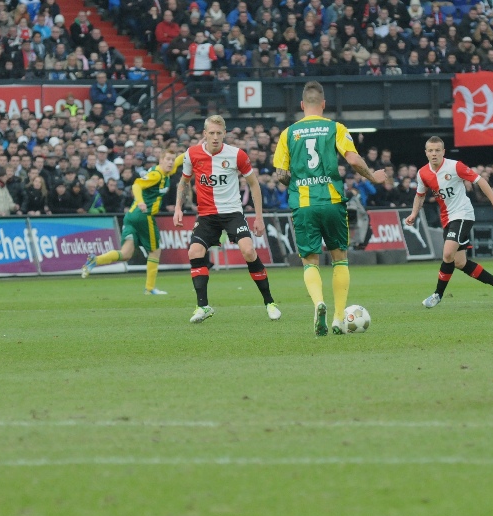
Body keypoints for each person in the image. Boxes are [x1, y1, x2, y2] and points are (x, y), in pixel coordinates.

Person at [273, 81, 386, 336]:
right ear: (323, 104)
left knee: (309, 261)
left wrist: (298, 184)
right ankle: (337, 318)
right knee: (339, 258)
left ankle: (318, 304)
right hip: (333, 201)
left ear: (302, 105)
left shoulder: (288, 133)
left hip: (304, 204)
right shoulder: (335, 128)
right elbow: (354, 159)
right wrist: (372, 177)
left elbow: (281, 174)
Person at [173, 115, 281, 324]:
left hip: (232, 212)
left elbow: (254, 184)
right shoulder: (192, 154)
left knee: (248, 251)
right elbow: (184, 182)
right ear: (204, 134)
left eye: (219, 133)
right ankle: (203, 306)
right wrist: (178, 207)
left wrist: (258, 217)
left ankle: (270, 302)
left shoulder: (236, 155)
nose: (215, 137)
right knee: (194, 251)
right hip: (206, 215)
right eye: (211, 133)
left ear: (224, 134)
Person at [405, 136, 493, 308]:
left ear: (443, 152)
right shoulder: (422, 173)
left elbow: (480, 180)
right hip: (447, 218)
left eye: (437, 150)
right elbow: (420, 195)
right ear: (426, 153)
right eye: (430, 150)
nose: (434, 154)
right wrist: (414, 213)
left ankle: (437, 295)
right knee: (460, 262)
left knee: (447, 254)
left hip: (463, 214)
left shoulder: (455, 166)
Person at [82, 148, 182, 295]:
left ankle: (95, 260)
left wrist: (196, 148)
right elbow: (136, 185)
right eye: (168, 159)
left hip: (131, 216)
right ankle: (149, 288)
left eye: (172, 160)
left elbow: (180, 160)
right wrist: (141, 201)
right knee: (155, 251)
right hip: (144, 215)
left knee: (125, 254)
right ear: (160, 161)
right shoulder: (156, 175)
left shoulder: (168, 172)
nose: (171, 162)